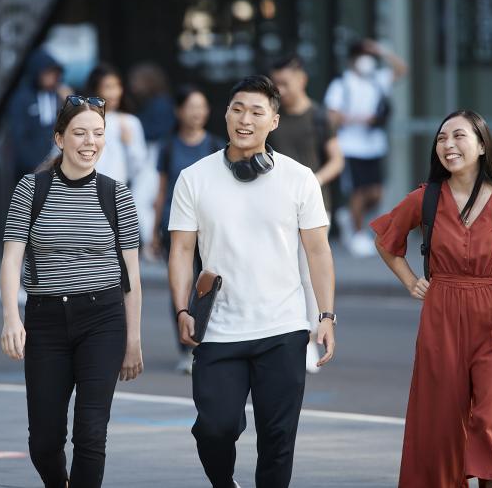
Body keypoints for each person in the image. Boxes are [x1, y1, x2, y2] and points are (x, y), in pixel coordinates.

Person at [370, 110, 492, 487]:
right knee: (440, 422)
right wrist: (409, 281)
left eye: (458, 137)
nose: (448, 145)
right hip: (441, 311)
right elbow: (386, 240)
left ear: (482, 145)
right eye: (441, 138)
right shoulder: (425, 198)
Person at [169, 75, 336, 488]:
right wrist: (182, 309)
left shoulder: (300, 178)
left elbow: (318, 251)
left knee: (278, 438)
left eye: (257, 112)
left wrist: (326, 315)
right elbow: (181, 252)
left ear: (274, 122)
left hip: (283, 327)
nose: (245, 119)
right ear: (225, 114)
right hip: (219, 329)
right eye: (237, 109)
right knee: (214, 428)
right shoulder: (194, 177)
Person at [0, 95, 144, 488]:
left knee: (91, 433)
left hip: (104, 319)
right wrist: (12, 319)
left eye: (98, 134)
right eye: (80, 133)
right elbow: (12, 259)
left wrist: (133, 339)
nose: (90, 142)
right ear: (60, 138)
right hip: (45, 321)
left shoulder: (117, 195)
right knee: (44, 441)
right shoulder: (32, 188)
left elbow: (131, 275)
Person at [270, 54, 345, 374]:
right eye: (276, 84)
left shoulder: (317, 115)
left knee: (308, 274)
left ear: (302, 80)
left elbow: (336, 160)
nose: (280, 90)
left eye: (285, 83)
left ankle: (310, 340)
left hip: (314, 206)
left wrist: (313, 180)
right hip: (274, 207)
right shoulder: (271, 117)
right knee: (279, 274)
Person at [152, 85, 225, 375]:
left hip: (209, 228)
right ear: (179, 111)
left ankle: (208, 343)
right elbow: (160, 191)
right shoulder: (168, 146)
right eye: (192, 106)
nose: (198, 113)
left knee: (208, 285)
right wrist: (155, 229)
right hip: (177, 226)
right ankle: (186, 348)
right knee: (181, 286)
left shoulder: (216, 146)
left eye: (202, 106)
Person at [324, 38, 408, 257]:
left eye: (370, 56)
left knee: (376, 193)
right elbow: (332, 115)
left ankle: (349, 217)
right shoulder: (342, 83)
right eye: (364, 55)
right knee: (358, 191)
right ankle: (358, 233)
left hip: (374, 145)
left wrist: (381, 50)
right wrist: (360, 119)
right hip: (350, 146)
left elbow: (401, 69)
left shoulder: (377, 80)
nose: (367, 60)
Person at [128, 62, 176, 258]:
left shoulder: (161, 103)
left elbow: (159, 131)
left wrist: (134, 131)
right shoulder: (151, 103)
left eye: (137, 81)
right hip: (150, 155)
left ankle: (152, 242)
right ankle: (152, 242)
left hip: (155, 156)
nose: (133, 85)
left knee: (141, 201)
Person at [7, 48, 71, 186]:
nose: (53, 77)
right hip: (31, 171)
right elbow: (19, 137)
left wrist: (70, 102)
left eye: (56, 73)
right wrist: (35, 166)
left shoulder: (59, 96)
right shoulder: (22, 98)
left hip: (60, 169)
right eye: (48, 73)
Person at [86, 64, 147, 186]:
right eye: (108, 87)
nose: (114, 92)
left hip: (117, 193)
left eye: (117, 86)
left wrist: (129, 144)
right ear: (96, 89)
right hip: (86, 191)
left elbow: (138, 166)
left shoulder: (130, 122)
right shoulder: (83, 120)